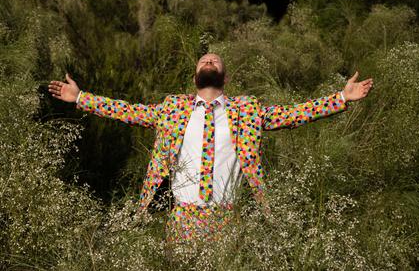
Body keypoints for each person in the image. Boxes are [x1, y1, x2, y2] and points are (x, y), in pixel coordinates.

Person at [48, 53, 373, 242]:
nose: (209, 60)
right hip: (182, 218)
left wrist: (341, 98)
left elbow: (292, 114)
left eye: (214, 60)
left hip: (228, 217)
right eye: (204, 59)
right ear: (195, 76)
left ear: (224, 77)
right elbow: (129, 110)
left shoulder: (248, 110)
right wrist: (80, 98)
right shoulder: (172, 108)